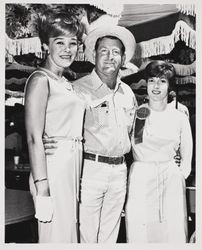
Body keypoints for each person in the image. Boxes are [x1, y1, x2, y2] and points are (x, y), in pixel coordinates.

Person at [44, 25, 137, 243]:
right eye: (103, 51)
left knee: (110, 234)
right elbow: (55, 126)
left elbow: (135, 134)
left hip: (120, 170)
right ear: (94, 55)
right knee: (86, 234)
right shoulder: (77, 90)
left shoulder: (128, 93)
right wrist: (46, 140)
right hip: (90, 170)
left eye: (115, 52)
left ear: (123, 58)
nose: (109, 57)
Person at [24, 11, 85, 243]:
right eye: (59, 42)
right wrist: (42, 188)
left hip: (72, 164)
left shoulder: (65, 82)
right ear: (45, 46)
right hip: (53, 168)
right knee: (55, 237)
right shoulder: (40, 80)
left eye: (73, 43)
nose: (67, 49)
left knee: (69, 235)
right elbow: (32, 137)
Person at [125, 60, 193, 243]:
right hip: (141, 178)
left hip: (171, 179)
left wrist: (179, 175)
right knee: (140, 231)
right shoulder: (139, 113)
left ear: (169, 86)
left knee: (173, 231)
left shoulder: (180, 116)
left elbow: (187, 154)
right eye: (152, 80)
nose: (156, 86)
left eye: (162, 81)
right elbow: (136, 146)